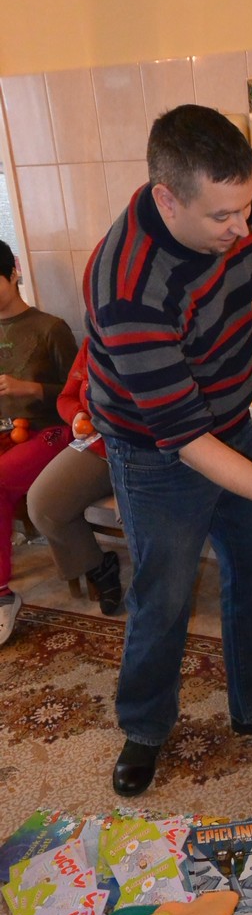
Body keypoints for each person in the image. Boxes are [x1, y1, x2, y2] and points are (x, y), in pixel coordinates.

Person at [84, 104, 252, 800]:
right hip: (155, 454)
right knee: (164, 597)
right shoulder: (128, 287)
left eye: (246, 208)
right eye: (223, 217)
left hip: (229, 424)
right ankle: (144, 727)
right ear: (167, 199)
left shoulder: (232, 208)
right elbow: (185, 440)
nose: (242, 228)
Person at [0, 240, 78, 645]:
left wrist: (28, 388)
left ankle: (1, 596)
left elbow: (77, 394)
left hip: (50, 431)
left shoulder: (50, 328)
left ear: (13, 272)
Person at [26, 338, 121, 615]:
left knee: (143, 521)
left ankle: (159, 598)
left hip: (146, 455)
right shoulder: (94, 339)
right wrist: (78, 416)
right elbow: (66, 397)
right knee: (44, 505)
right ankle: (99, 567)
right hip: (97, 447)